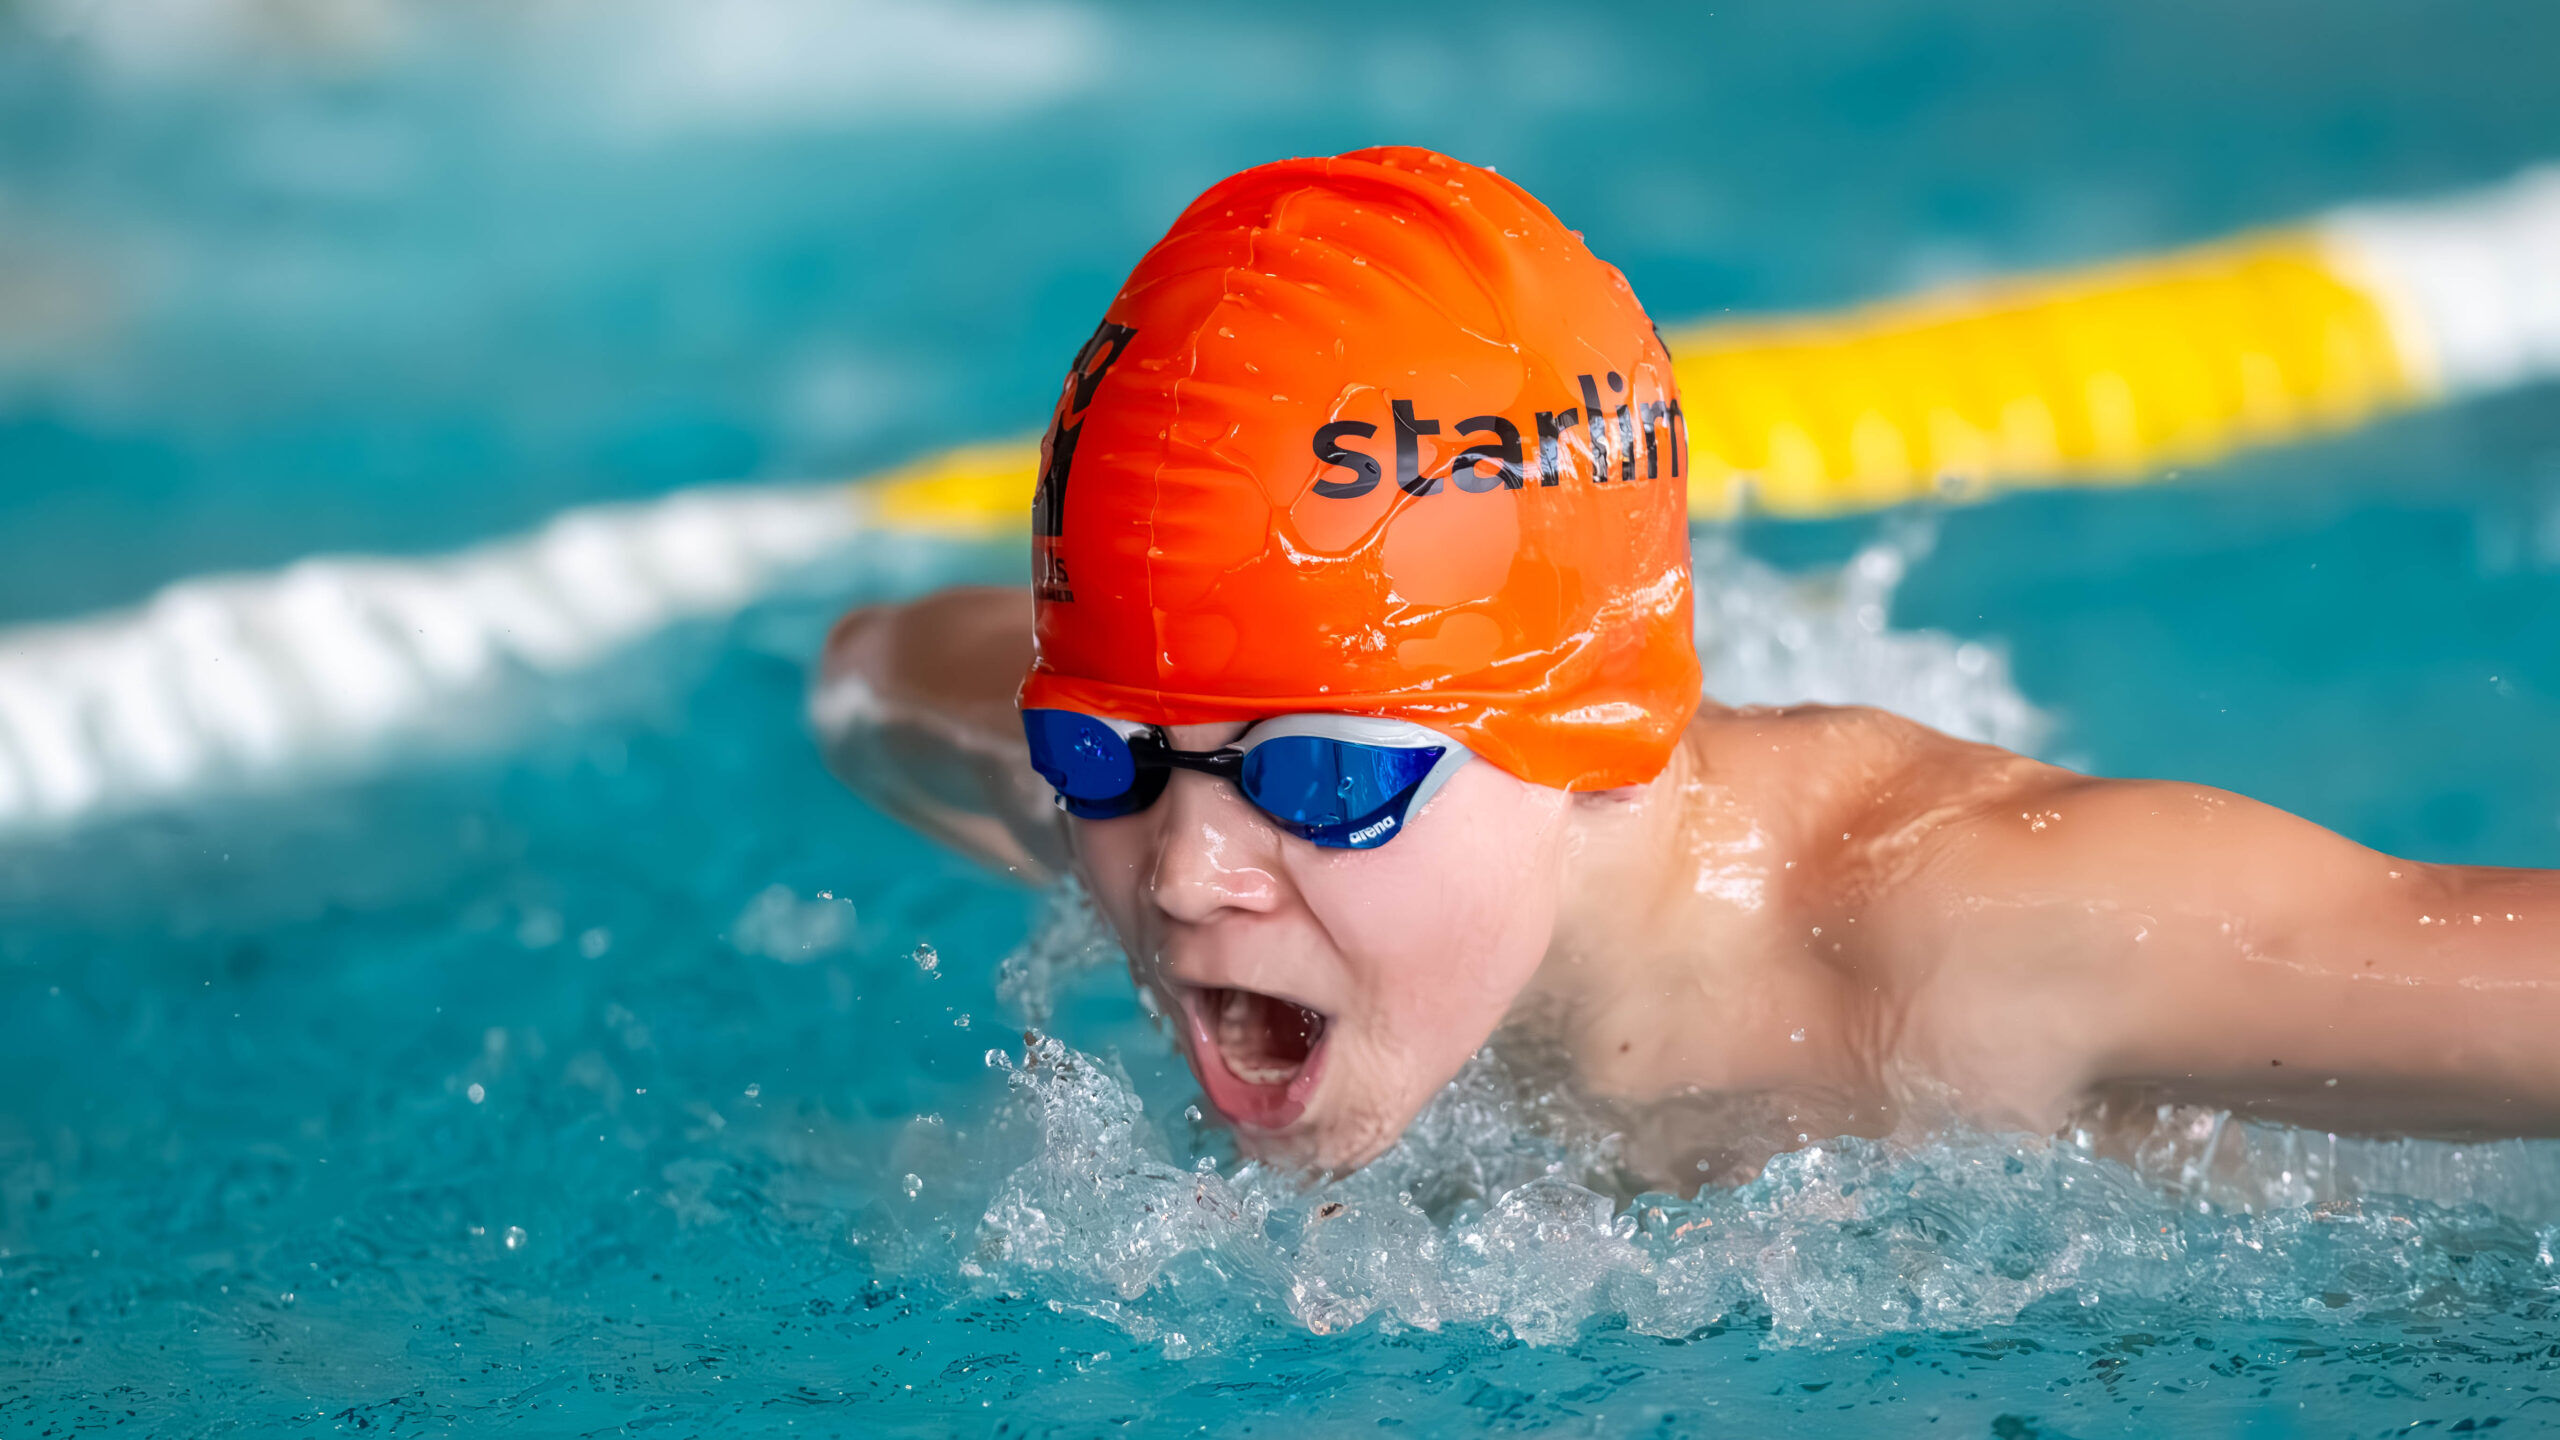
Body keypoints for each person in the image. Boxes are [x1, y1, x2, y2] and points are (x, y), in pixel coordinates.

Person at [813, 146, 2560, 1185]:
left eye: (1318, 777)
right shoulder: (1188, 827)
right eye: (1111, 751)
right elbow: (873, 675)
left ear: (1589, 732)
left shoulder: (1969, 951)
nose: (1186, 872)